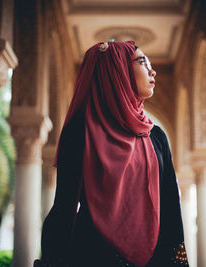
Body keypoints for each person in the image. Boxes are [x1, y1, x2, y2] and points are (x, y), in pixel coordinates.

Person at [35, 40, 189, 267]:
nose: (152, 70)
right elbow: (65, 206)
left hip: (155, 259)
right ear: (117, 71)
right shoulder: (80, 132)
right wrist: (50, 260)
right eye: (142, 62)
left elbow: (170, 210)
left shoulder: (156, 137)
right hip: (91, 256)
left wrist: (178, 262)